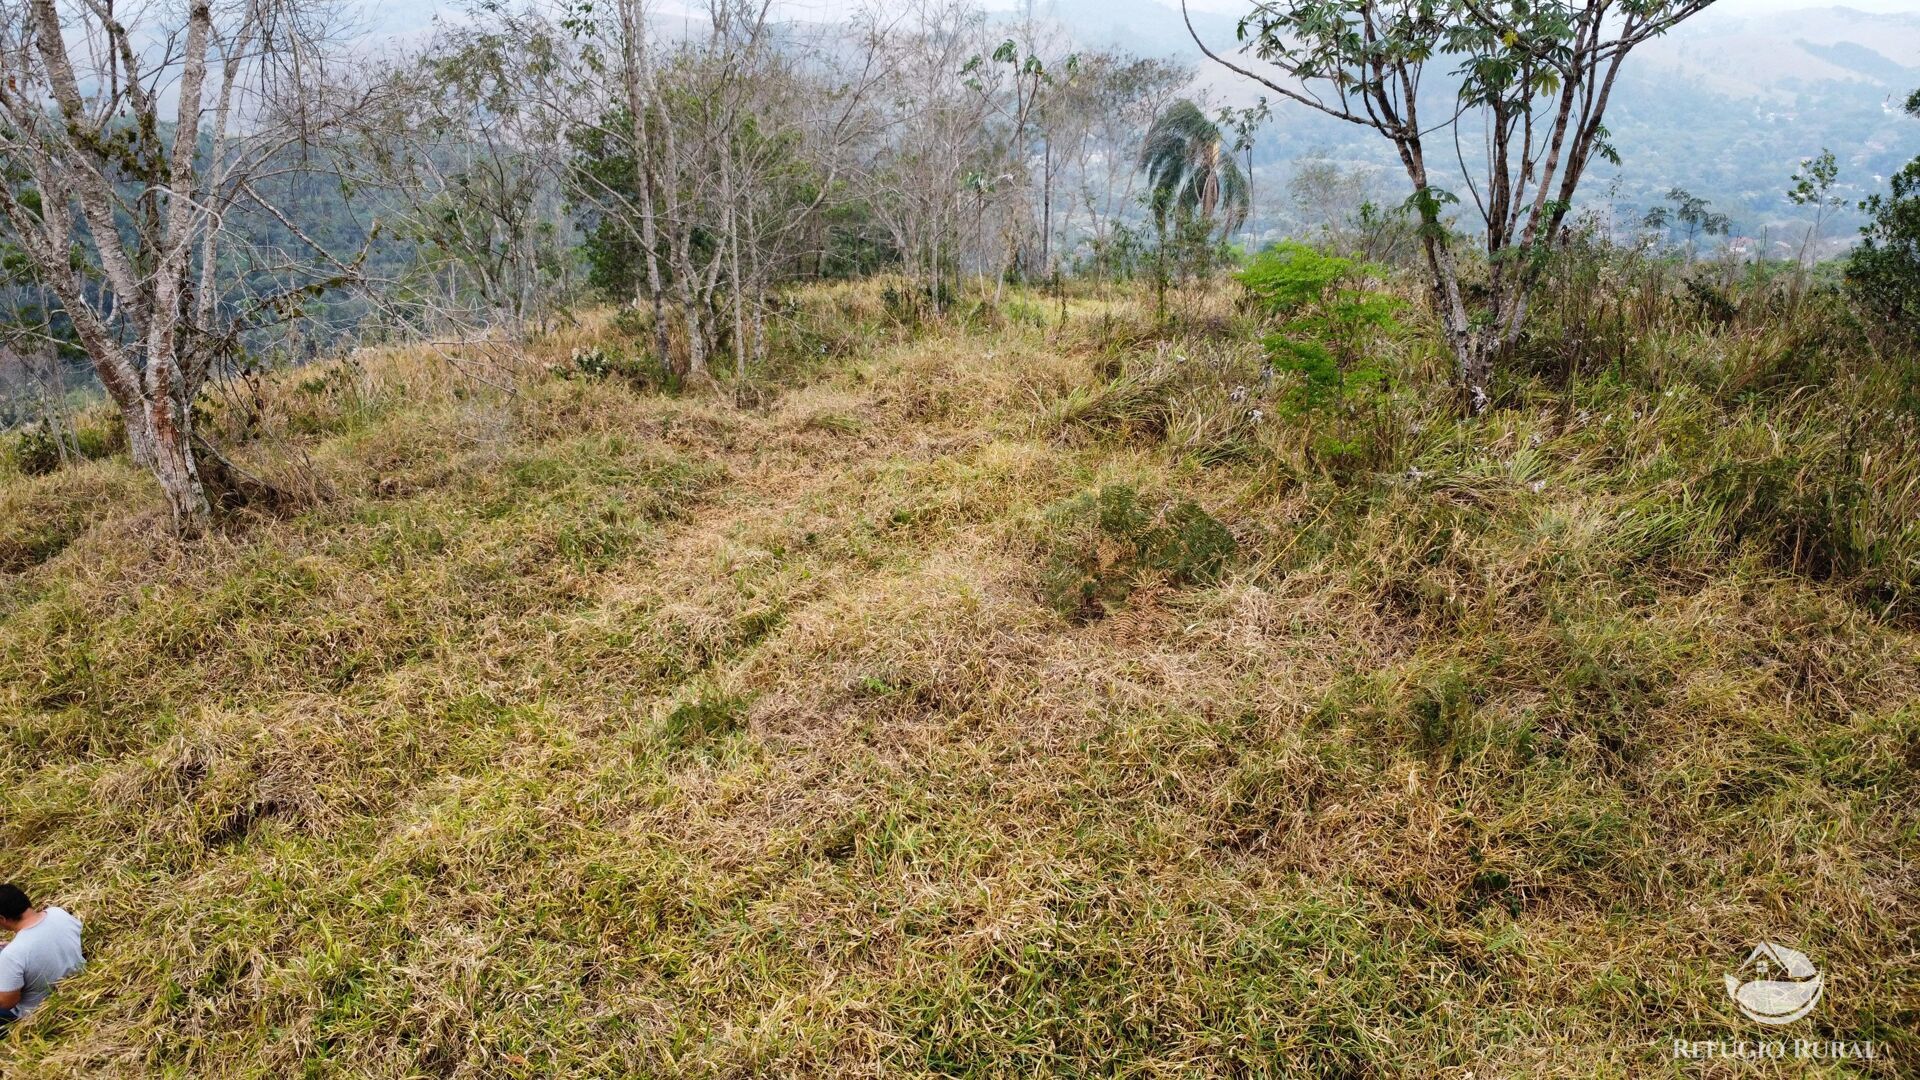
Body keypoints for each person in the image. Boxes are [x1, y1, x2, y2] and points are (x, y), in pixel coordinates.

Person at [0, 885, 84, 1026]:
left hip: (36, 1011)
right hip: (76, 985)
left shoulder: (13, 954)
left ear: (2, 918)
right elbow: (45, 943)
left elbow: (7, 1002)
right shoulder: (58, 914)